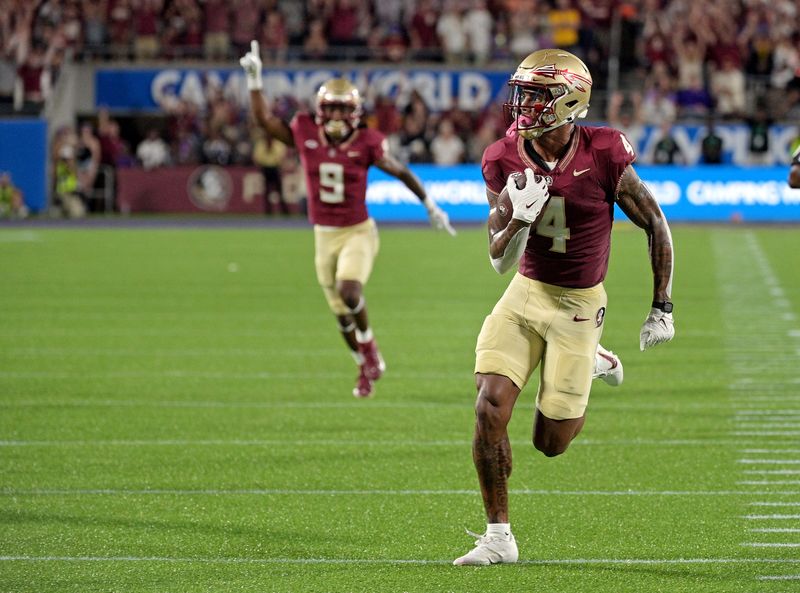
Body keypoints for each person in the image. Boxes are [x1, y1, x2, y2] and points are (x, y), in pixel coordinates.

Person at [453, 49, 675, 566]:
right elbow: (497, 260)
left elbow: (655, 224)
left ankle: (595, 358)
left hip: (579, 302)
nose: (523, 104)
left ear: (569, 100)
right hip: (525, 294)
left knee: (549, 443)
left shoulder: (603, 152)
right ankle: (498, 536)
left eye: (536, 94)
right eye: (522, 93)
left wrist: (661, 305)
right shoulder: (501, 156)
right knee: (489, 405)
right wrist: (518, 223)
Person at [240, 41, 456, 398]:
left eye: (344, 111)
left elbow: (398, 170)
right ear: (321, 111)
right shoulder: (304, 129)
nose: (338, 118)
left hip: (357, 231)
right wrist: (254, 80)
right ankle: (364, 365)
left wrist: (429, 203)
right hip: (323, 234)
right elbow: (264, 119)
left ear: (355, 113)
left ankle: (369, 347)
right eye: (333, 110)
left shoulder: (368, 141)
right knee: (341, 317)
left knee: (349, 289)